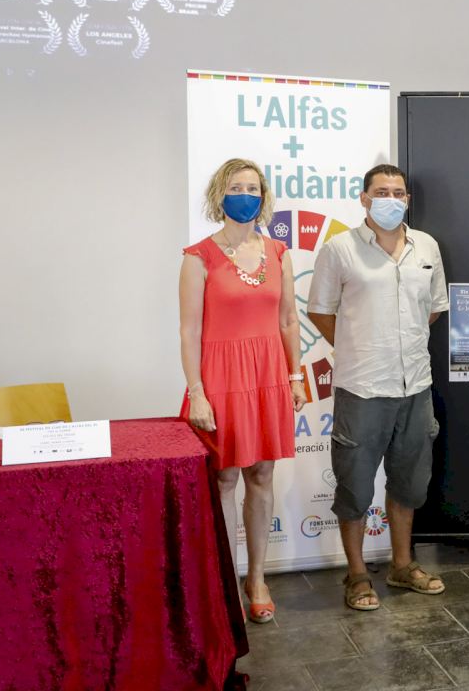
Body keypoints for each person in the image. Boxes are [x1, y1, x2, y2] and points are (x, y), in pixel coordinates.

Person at [307, 164, 449, 611]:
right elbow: (320, 310)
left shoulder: (426, 246)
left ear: (408, 199)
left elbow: (433, 308)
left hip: (416, 386)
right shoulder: (340, 249)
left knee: (409, 483)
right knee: (354, 487)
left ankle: (402, 565)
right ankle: (356, 574)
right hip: (362, 388)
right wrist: (359, 346)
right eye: (381, 192)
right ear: (364, 198)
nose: (391, 199)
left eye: (398, 192)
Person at [179, 158, 306, 625]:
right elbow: (189, 331)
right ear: (220, 195)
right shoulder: (198, 257)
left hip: (267, 374)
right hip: (220, 379)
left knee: (261, 475)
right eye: (236, 187)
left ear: (264, 197)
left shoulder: (278, 252)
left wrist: (295, 376)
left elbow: (288, 320)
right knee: (224, 480)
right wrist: (197, 391)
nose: (246, 195)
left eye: (253, 188)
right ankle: (223, 582)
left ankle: (257, 579)